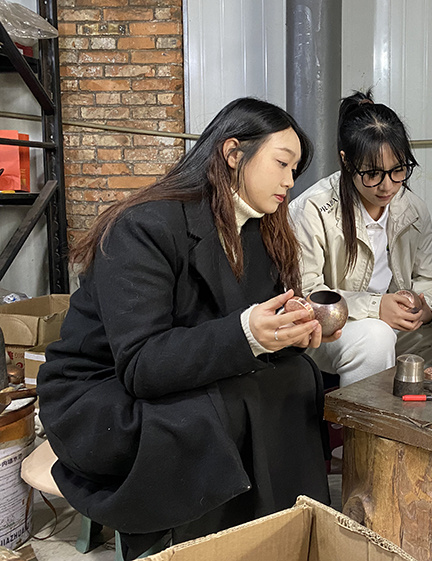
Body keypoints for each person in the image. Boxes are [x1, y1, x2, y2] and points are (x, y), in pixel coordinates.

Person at [37, 98, 339, 559]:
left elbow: (240, 339)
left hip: (187, 374)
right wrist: (250, 335)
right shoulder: (145, 225)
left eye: (295, 169)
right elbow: (141, 364)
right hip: (103, 394)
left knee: (296, 380)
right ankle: (200, 550)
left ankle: (286, 538)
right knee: (215, 413)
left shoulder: (260, 233)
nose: (289, 181)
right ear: (233, 152)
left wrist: (290, 333)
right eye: (282, 163)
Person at [290, 90, 432, 387]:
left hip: (394, 321)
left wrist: (425, 306)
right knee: (374, 336)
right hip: (331, 330)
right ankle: (360, 431)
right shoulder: (312, 209)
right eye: (372, 174)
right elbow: (307, 295)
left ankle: (417, 428)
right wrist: (375, 307)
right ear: (346, 161)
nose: (387, 186)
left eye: (398, 171)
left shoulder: (411, 209)